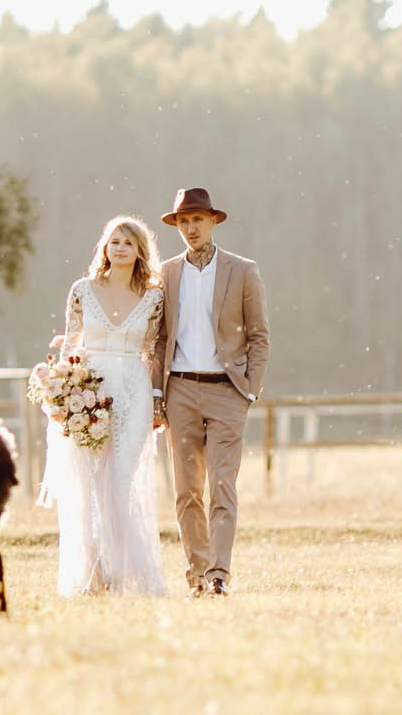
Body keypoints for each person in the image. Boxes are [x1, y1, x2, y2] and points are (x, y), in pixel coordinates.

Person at [40, 216, 168, 596]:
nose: (120, 248)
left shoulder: (154, 296)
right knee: (89, 482)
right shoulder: (82, 289)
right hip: (88, 390)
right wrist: (60, 392)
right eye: (114, 241)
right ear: (105, 248)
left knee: (120, 480)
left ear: (140, 251)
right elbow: (69, 346)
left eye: (128, 242)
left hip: (132, 389)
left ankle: (124, 572)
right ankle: (92, 574)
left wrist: (158, 399)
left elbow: (154, 350)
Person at [150, 187, 268, 597]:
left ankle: (219, 573)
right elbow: (161, 339)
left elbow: (259, 335)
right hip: (179, 389)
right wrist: (155, 395)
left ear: (213, 221)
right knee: (186, 490)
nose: (190, 228)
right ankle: (197, 574)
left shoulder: (242, 270)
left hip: (227, 391)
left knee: (222, 485)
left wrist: (249, 390)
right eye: (183, 221)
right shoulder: (166, 274)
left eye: (197, 220)